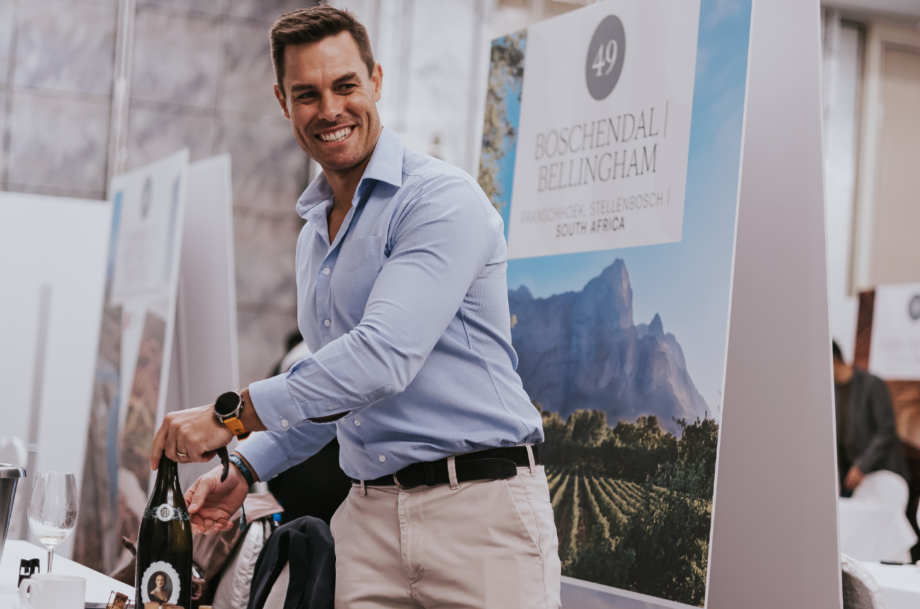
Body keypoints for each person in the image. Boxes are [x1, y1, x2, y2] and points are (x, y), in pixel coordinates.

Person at [147, 6, 560, 608]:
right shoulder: (314, 235)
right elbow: (333, 393)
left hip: (479, 514)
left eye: (345, 86)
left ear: (377, 80)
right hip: (368, 519)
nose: (330, 109)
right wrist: (247, 468)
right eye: (307, 94)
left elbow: (380, 359)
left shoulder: (439, 200)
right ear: (283, 102)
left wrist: (230, 417)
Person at [833, 340, 909, 497]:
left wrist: (862, 466)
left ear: (833, 360)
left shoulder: (872, 384)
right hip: (849, 479)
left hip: (882, 473)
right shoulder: (831, 392)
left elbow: (886, 430)